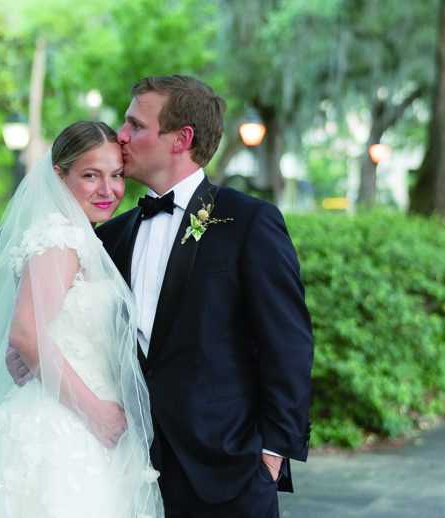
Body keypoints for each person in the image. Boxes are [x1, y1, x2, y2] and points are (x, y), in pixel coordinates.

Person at [95, 75, 314, 517]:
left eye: (135, 125)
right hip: (127, 469)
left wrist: (272, 455)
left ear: (182, 139)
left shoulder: (250, 221)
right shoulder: (111, 236)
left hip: (228, 469)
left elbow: (287, 344)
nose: (120, 136)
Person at [0, 121, 164, 517]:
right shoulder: (60, 238)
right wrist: (98, 414)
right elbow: (26, 334)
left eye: (116, 176)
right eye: (91, 176)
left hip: (81, 419)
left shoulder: (83, 236)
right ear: (59, 176)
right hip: (64, 425)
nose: (108, 190)